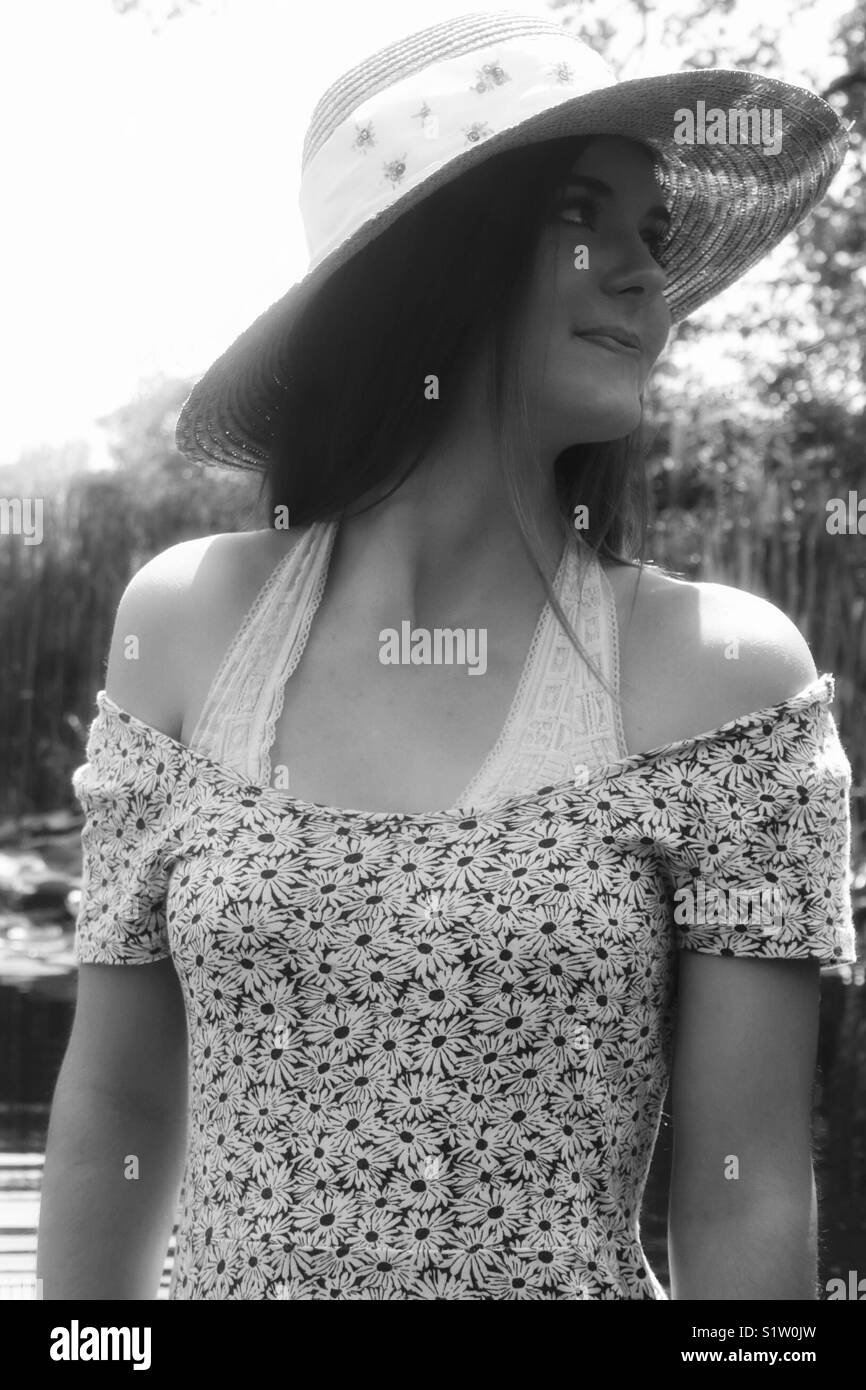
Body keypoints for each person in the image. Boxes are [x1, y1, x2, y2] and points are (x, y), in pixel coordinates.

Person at [38, 11, 857, 1301]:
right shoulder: (186, 632)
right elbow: (113, 1120)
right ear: (433, 260)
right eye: (587, 213)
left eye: (655, 235)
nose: (654, 279)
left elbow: (743, 1194)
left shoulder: (726, 677)